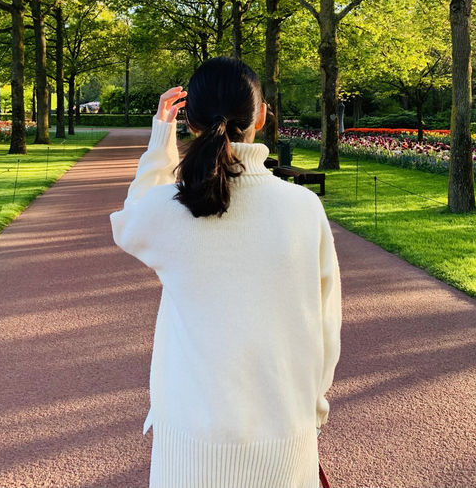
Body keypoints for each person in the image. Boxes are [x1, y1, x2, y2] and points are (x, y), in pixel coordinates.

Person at [110, 56, 341, 488]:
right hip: (285, 439)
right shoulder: (304, 209)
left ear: (191, 122)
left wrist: (161, 137)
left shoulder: (169, 210)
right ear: (262, 115)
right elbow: (326, 325)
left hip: (191, 446)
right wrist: (313, 412)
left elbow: (131, 219)